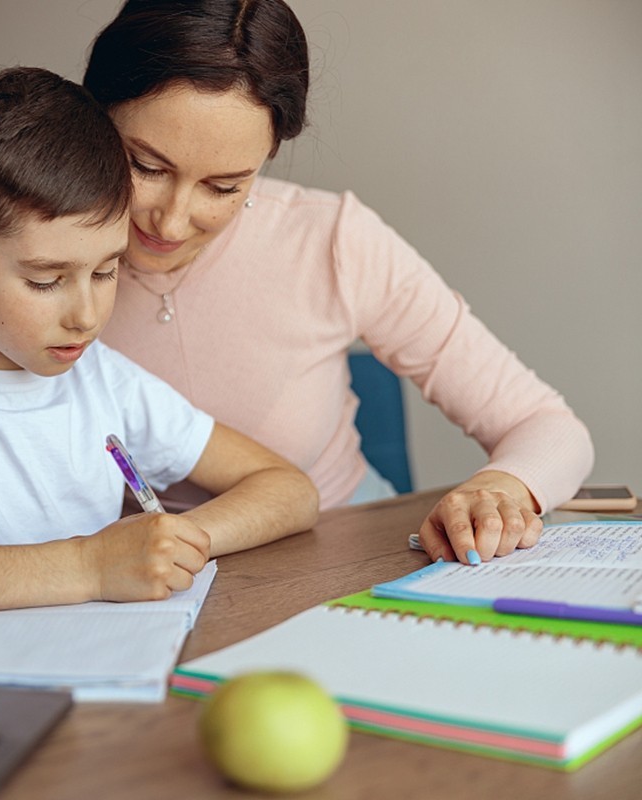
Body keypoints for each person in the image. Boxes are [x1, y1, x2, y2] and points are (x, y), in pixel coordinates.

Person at [83, 0, 593, 566]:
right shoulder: (25, 257)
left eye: (224, 187)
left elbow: (547, 425)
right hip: (139, 582)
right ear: (92, 115)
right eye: (146, 167)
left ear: (268, 156)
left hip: (341, 563)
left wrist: (499, 489)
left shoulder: (332, 241)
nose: (172, 221)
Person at [0, 66, 318, 614]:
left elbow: (290, 490)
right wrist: (88, 565)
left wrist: (166, 543)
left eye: (106, 271)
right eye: (45, 280)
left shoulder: (103, 379)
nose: (85, 315)